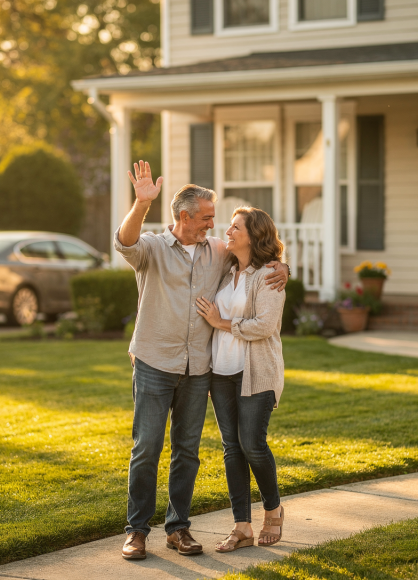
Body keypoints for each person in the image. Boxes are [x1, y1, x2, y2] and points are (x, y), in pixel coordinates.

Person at [115, 161, 288, 561]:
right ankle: (137, 531)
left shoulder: (218, 252)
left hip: (199, 370)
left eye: (216, 219)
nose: (214, 225)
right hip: (157, 363)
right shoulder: (154, 248)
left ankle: (178, 529)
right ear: (185, 216)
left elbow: (259, 258)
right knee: (147, 447)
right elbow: (125, 242)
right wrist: (141, 204)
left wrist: (283, 268)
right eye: (208, 217)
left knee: (188, 451)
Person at [195, 206, 287, 553]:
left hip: (256, 373)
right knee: (232, 449)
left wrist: (222, 324)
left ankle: (273, 510)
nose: (227, 232)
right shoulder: (226, 267)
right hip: (221, 373)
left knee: (252, 444)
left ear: (254, 235)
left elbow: (264, 325)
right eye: (229, 227)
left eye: (236, 228)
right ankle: (242, 526)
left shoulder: (268, 276)